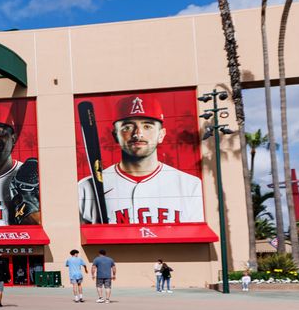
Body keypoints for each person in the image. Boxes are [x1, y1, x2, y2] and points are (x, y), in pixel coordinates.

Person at [78, 94, 205, 225]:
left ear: (161, 135)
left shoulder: (190, 186)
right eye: (127, 127)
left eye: (147, 126)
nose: (138, 134)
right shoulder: (86, 188)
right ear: (115, 135)